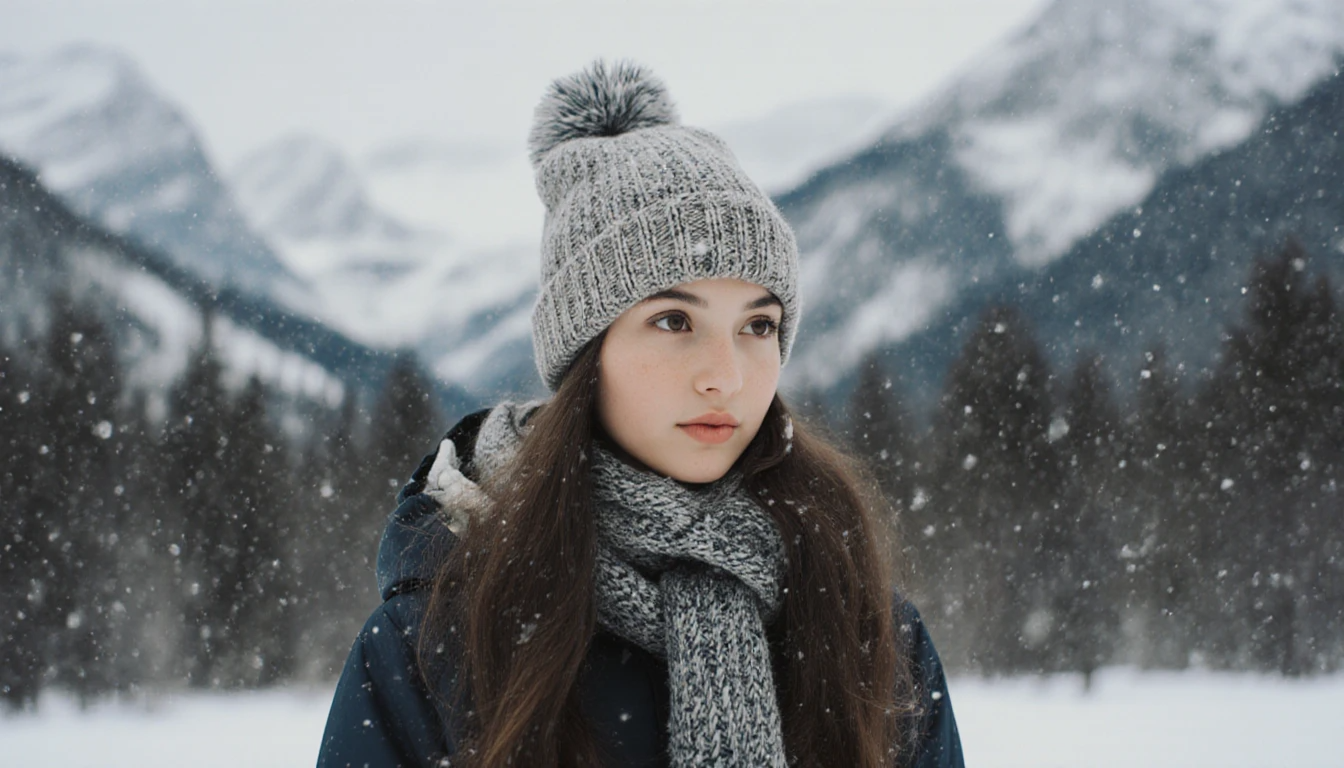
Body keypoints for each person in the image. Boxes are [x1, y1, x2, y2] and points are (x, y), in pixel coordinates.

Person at [318, 60, 963, 768]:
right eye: (673, 321)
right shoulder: (438, 642)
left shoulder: (865, 631)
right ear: (586, 352)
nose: (725, 375)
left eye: (758, 326)